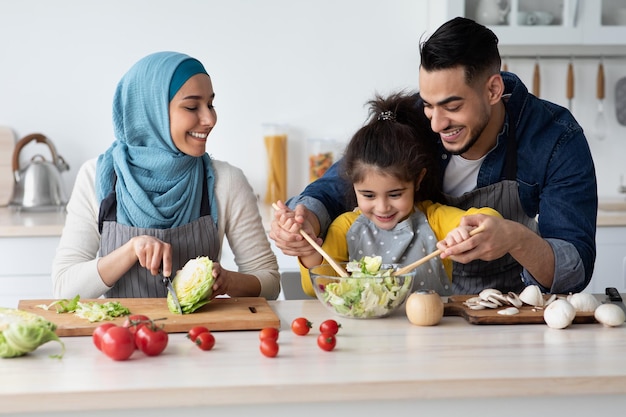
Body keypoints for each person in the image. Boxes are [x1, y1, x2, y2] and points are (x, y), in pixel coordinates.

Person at [270, 17, 597, 295]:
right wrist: (304, 223)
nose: (437, 123)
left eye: (453, 107)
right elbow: (340, 183)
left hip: (503, 312)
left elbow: (576, 268)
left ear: (493, 90)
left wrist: (515, 238)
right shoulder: (408, 119)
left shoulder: (555, 137)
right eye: (428, 104)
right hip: (416, 310)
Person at [52, 51, 280, 300]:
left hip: (203, 336)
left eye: (211, 104)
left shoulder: (227, 182)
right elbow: (65, 288)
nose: (210, 119)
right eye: (192, 106)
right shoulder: (97, 177)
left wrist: (229, 281)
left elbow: (268, 281)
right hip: (123, 337)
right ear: (151, 111)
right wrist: (130, 250)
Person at [274, 92, 501, 297]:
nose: (382, 207)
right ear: (353, 185)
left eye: (394, 194)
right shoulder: (345, 228)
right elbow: (316, 285)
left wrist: (466, 231)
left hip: (432, 335)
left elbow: (488, 219)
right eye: (368, 195)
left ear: (418, 180)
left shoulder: (434, 219)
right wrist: (306, 248)